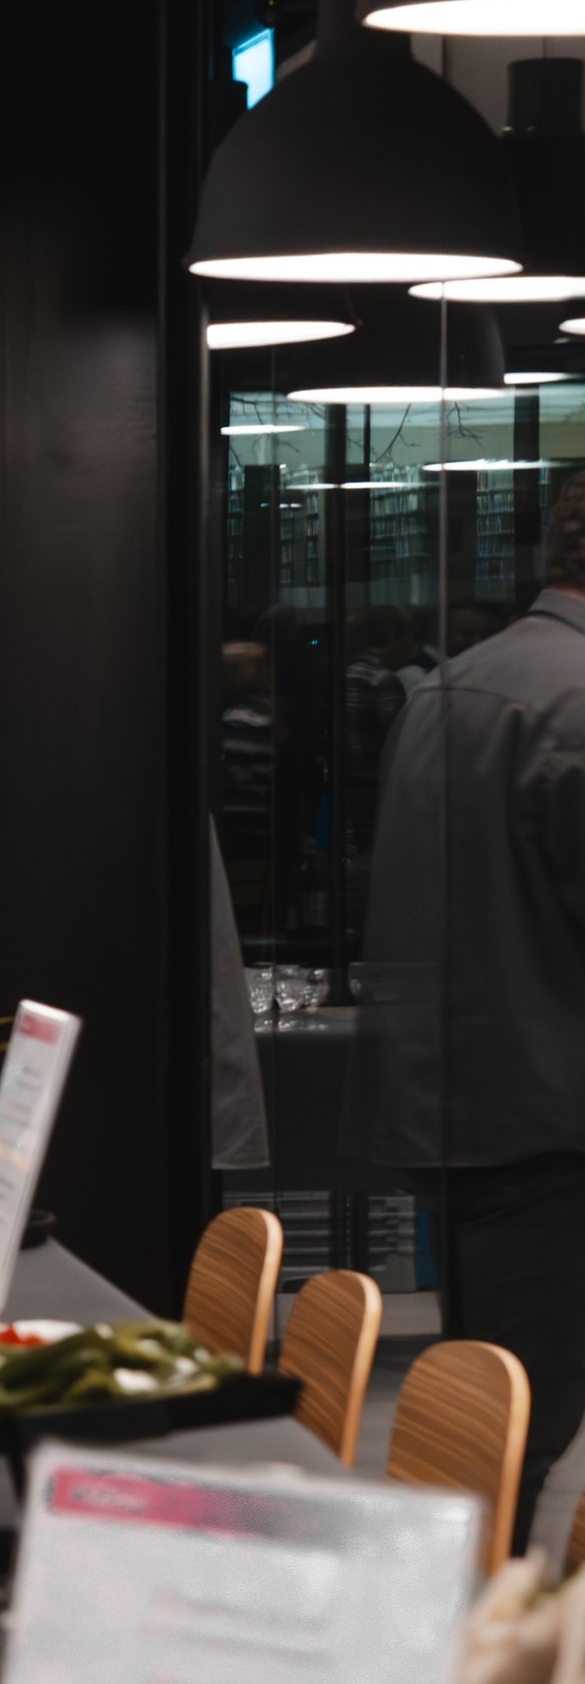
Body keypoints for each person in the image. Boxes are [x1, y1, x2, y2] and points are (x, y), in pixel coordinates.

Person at [348, 470, 585, 1541]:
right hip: (555, 1124)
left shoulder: (453, 685)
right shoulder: (574, 699)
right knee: (514, 1442)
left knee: (484, 1429)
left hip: (461, 1109)